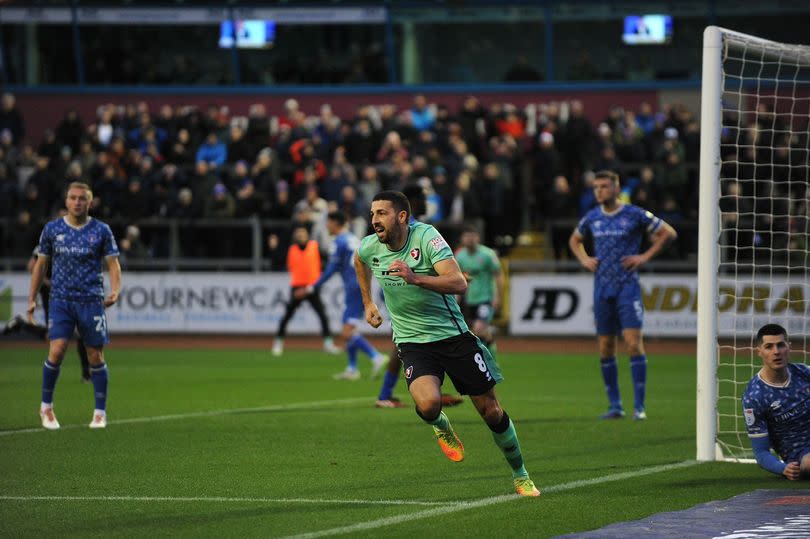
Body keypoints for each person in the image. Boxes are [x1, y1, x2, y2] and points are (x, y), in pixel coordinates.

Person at [355, 190, 540, 497]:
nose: (374, 220)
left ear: (401, 216)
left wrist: (416, 279)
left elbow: (458, 283)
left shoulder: (427, 237)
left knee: (491, 411)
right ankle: (440, 424)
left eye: (382, 213)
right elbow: (359, 261)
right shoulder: (370, 245)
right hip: (413, 342)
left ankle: (520, 474)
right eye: (373, 213)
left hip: (452, 337)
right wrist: (367, 303)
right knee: (428, 406)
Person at [568, 170, 677, 420]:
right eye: (596, 187)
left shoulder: (634, 214)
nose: (599, 191)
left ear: (617, 189)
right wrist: (584, 259)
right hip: (601, 288)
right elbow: (574, 240)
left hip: (627, 288)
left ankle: (639, 407)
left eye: (604, 186)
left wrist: (644, 257)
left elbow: (668, 233)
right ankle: (615, 405)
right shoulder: (592, 217)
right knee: (606, 347)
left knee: (632, 344)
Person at [28, 182, 122, 430]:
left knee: (95, 356)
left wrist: (116, 289)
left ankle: (100, 412)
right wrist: (31, 299)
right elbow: (40, 265)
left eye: (82, 198)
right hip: (61, 300)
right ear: (66, 201)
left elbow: (113, 264)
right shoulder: (52, 229)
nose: (77, 202)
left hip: (91, 301)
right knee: (57, 350)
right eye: (73, 197)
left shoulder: (101, 230)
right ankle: (46, 407)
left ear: (90, 202)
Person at [374, 183, 463, 409]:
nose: (426, 202)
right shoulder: (407, 227)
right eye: (422, 198)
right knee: (405, 345)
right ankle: (390, 394)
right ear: (412, 203)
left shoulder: (419, 227)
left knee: (408, 344)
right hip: (404, 292)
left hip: (411, 290)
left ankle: (402, 392)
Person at [296, 211, 387, 380]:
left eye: (328, 223)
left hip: (355, 288)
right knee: (349, 328)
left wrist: (310, 288)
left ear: (335, 223)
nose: (326, 226)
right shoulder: (352, 238)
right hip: (360, 285)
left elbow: (330, 270)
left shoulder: (339, 242)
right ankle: (352, 369)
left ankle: (376, 357)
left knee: (346, 332)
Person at [3, 246, 91, 382]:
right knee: (62, 335)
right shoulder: (44, 246)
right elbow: (31, 267)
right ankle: (86, 374)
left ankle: (21, 324)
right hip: (51, 297)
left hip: (67, 295)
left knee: (65, 334)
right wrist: (47, 283)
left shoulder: (70, 245)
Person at [743, 323, 810, 480]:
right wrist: (783, 469)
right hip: (801, 455)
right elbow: (761, 453)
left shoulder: (804, 372)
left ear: (789, 347)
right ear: (759, 351)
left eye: (780, 345)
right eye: (769, 347)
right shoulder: (754, 396)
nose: (776, 352)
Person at [271, 225, 339, 356]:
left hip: (312, 288)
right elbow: (277, 261)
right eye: (298, 234)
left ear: (307, 235)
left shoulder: (315, 247)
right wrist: (274, 248)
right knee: (287, 316)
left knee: (322, 315)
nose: (300, 236)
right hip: (297, 288)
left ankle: (328, 344)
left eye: (302, 233)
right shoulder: (291, 250)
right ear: (295, 236)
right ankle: (278, 343)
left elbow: (328, 260)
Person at [455, 225, 504, 359]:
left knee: (478, 328)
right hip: (470, 299)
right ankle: (491, 352)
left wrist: (498, 296)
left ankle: (486, 359)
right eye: (467, 236)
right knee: (478, 332)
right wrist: (457, 296)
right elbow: (458, 277)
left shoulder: (488, 254)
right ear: (462, 239)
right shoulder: (460, 256)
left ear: (478, 238)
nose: (470, 239)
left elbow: (498, 274)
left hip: (486, 299)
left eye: (473, 236)